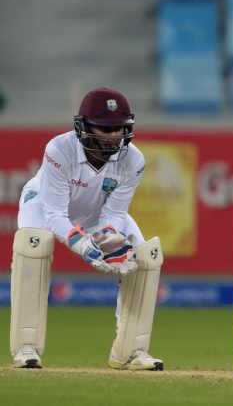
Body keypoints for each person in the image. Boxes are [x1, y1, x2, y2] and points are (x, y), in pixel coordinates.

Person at [10, 87, 165, 371]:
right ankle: (25, 346)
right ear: (83, 127)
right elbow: (55, 213)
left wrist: (107, 239)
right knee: (34, 244)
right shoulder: (59, 149)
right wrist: (85, 248)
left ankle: (131, 350)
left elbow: (115, 212)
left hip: (96, 211)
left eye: (118, 129)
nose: (112, 136)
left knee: (145, 256)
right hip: (44, 205)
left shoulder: (134, 161)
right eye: (104, 129)